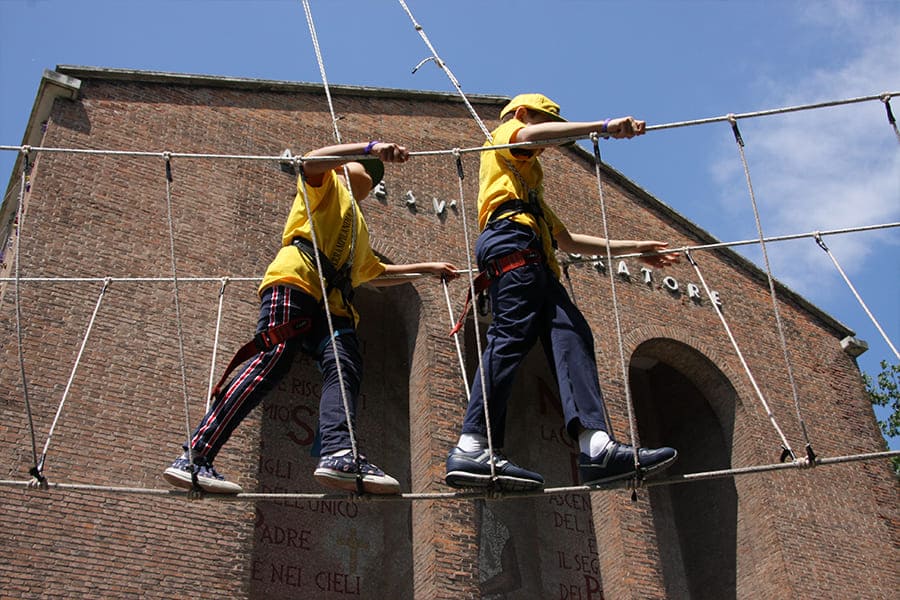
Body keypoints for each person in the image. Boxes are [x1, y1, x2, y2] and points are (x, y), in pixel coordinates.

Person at [164, 140, 458, 495]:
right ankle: (197, 456)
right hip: (297, 282)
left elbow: (372, 273)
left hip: (332, 307)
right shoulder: (324, 187)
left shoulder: (357, 226)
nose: (371, 175)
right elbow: (311, 161)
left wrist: (428, 269)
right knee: (271, 362)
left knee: (345, 366)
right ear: (343, 168)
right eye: (366, 167)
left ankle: (338, 452)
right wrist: (369, 146)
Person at [445, 94, 679, 492]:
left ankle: (596, 445)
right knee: (511, 336)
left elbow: (567, 239)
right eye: (540, 124)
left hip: (536, 259)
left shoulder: (529, 190)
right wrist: (599, 127)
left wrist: (635, 248)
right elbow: (533, 134)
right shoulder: (503, 138)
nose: (544, 143)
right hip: (511, 243)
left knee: (571, 334)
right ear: (522, 116)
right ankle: (473, 443)